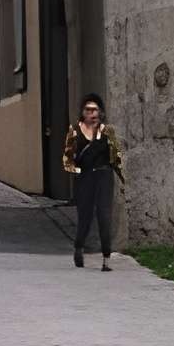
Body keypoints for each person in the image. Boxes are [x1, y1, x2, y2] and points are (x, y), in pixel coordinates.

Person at [61, 94, 122, 269]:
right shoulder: (75, 131)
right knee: (85, 216)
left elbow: (116, 156)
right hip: (85, 177)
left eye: (94, 109)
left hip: (104, 176)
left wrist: (121, 177)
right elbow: (67, 160)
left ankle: (106, 259)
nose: (91, 113)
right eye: (88, 109)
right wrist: (79, 171)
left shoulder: (107, 132)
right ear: (83, 112)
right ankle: (78, 247)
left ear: (100, 112)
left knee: (104, 216)